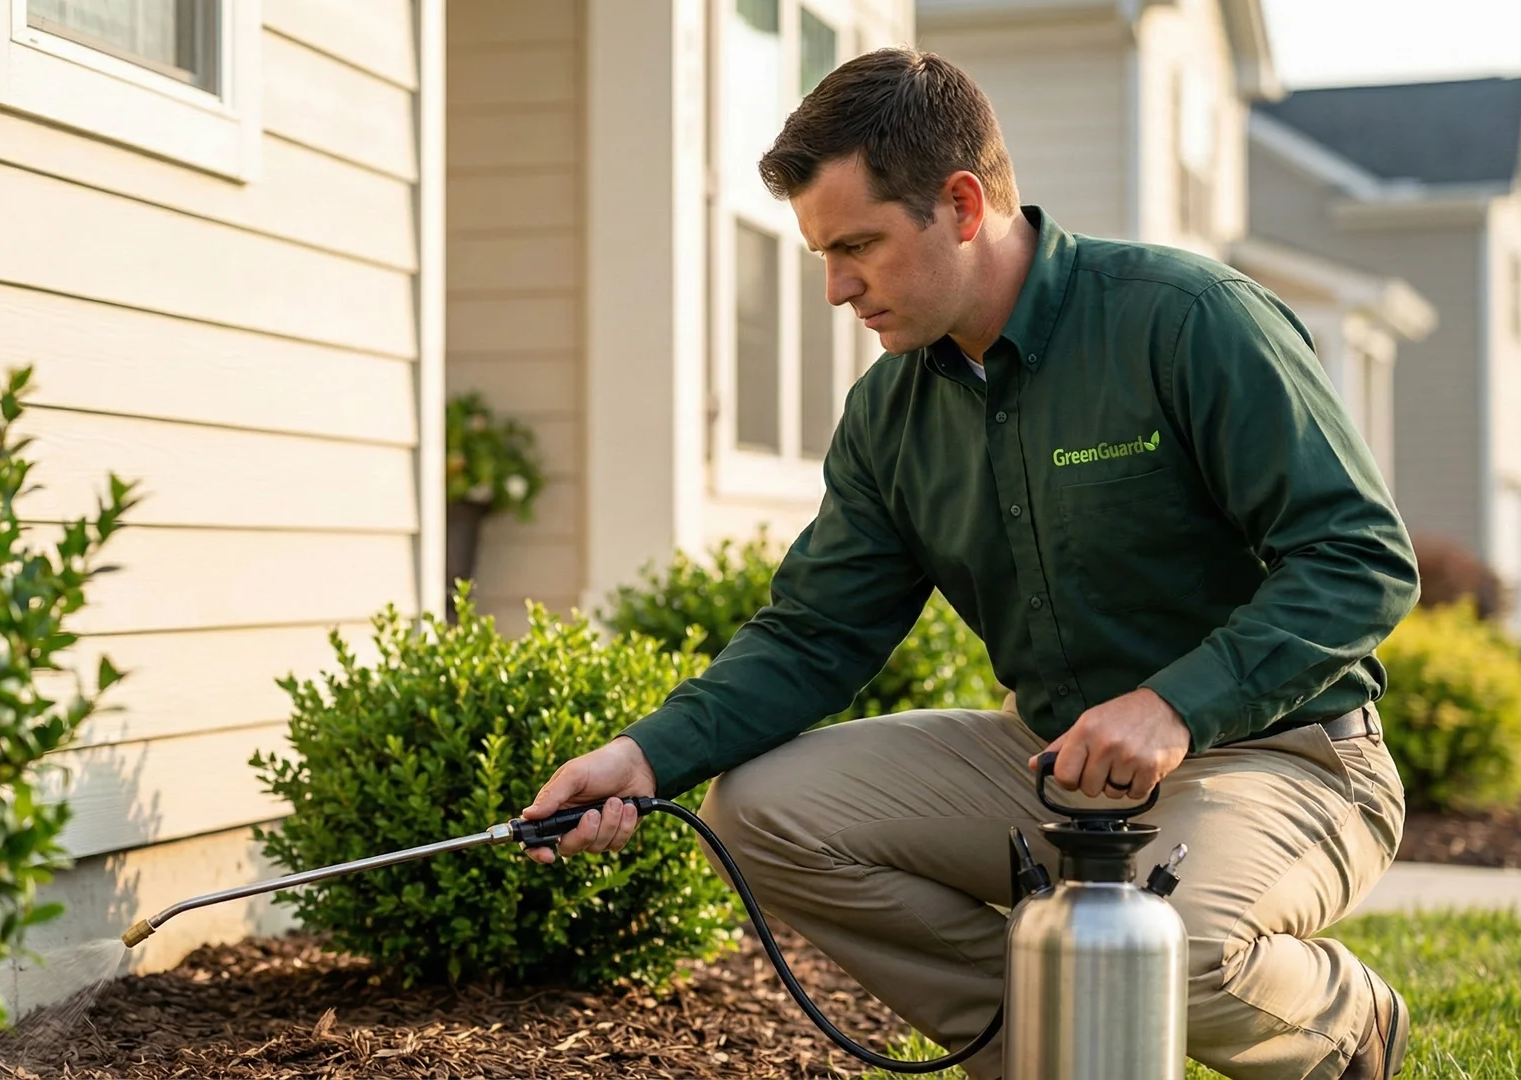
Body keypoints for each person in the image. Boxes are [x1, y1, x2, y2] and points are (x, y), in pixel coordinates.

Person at [520, 45, 1416, 1080]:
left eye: (857, 245)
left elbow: (1359, 558)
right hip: (1049, 762)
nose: (834, 289)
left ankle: (1348, 1028)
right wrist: (644, 758)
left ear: (958, 203)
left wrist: (1173, 706)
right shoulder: (891, 413)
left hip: (1285, 757)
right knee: (764, 814)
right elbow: (817, 632)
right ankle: (1052, 1051)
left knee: (1181, 952)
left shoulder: (1186, 320)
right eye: (820, 253)